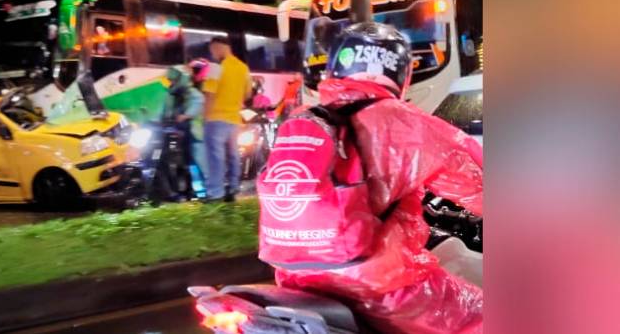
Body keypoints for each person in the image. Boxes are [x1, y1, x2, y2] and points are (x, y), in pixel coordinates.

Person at [262, 22, 484, 334]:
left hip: (297, 281)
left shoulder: (306, 120)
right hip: (380, 287)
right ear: (402, 74)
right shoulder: (407, 123)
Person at [201, 36, 251, 202]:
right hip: (234, 119)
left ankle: (215, 192)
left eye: (213, 49)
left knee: (215, 156)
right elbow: (248, 94)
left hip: (216, 118)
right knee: (233, 155)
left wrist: (205, 116)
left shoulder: (216, 67)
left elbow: (209, 93)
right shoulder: (243, 68)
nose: (213, 53)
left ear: (220, 47)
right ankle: (233, 188)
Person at [154, 60, 208, 202]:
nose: (172, 82)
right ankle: (182, 191)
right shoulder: (170, 95)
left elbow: (194, 108)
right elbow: (162, 112)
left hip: (194, 134)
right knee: (178, 162)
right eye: (171, 80)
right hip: (176, 134)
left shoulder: (194, 95)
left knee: (199, 161)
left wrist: (185, 116)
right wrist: (156, 120)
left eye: (174, 80)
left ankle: (210, 191)